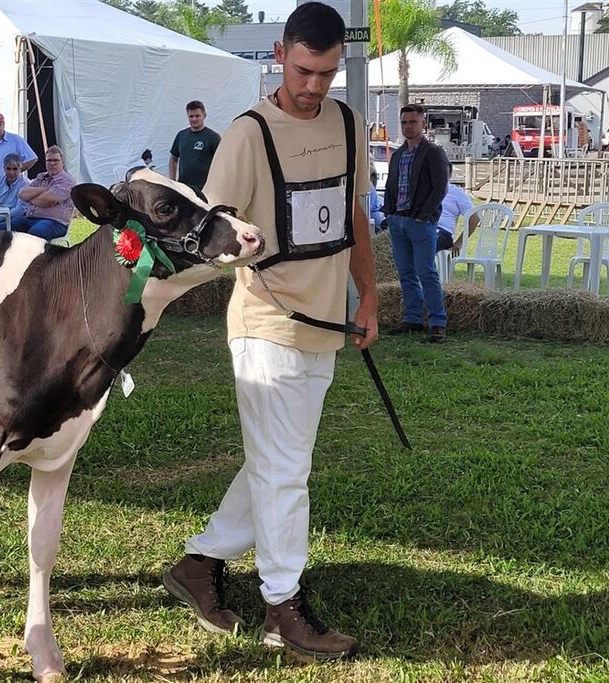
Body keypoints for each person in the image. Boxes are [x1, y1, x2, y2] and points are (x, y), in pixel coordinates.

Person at [162, 2, 376, 662]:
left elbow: (354, 213)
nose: (315, 86)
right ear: (280, 53)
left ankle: (197, 565)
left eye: (329, 73)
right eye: (306, 69)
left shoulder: (347, 123)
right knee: (286, 475)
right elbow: (213, 227)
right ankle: (282, 608)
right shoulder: (247, 134)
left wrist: (368, 295)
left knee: (280, 466)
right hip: (265, 326)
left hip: (327, 326)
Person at [383, 103, 450, 343]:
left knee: (426, 272)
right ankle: (412, 317)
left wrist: (424, 215)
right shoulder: (399, 154)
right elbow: (392, 184)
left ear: (423, 124)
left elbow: (440, 188)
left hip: (420, 222)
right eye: (404, 122)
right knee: (406, 272)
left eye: (412, 122)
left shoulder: (433, 152)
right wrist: (388, 212)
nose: (408, 127)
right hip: (398, 219)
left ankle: (437, 322)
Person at [10, 146, 74, 241]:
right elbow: (22, 193)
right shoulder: (41, 177)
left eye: (56, 160)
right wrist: (43, 190)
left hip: (54, 222)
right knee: (3, 228)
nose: (52, 163)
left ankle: (34, 256)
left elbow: (49, 200)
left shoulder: (67, 181)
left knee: (35, 233)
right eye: (49, 160)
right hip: (30, 218)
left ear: (62, 162)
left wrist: (30, 198)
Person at [168, 100, 222, 191]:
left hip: (205, 189)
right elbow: (173, 158)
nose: (194, 119)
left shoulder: (213, 137)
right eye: (191, 116)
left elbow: (221, 163)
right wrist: (172, 180)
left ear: (204, 116)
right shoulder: (181, 135)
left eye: (197, 116)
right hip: (183, 188)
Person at [437, 162, 478, 254]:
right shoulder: (424, 190)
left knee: (428, 241)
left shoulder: (456, 192)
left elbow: (474, 218)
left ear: (450, 175)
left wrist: (460, 242)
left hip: (443, 232)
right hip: (424, 228)